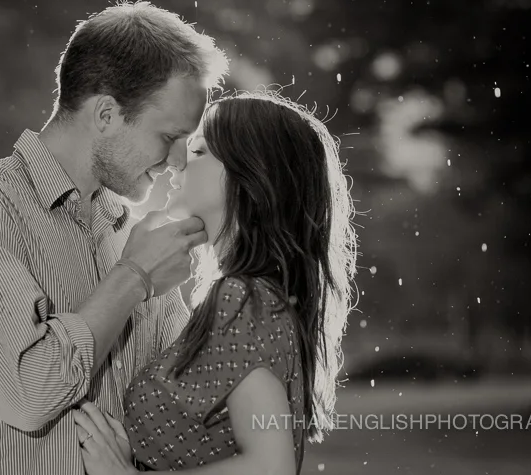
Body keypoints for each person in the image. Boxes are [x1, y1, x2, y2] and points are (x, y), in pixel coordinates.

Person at [0, 0, 229, 474]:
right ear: (105, 114)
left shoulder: (130, 230)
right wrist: (133, 277)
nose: (178, 161)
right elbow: (30, 392)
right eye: (168, 137)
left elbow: (189, 407)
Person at [71, 90, 359, 474]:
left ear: (251, 178)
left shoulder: (244, 298)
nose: (178, 162)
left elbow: (271, 467)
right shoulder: (252, 298)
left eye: (200, 151)